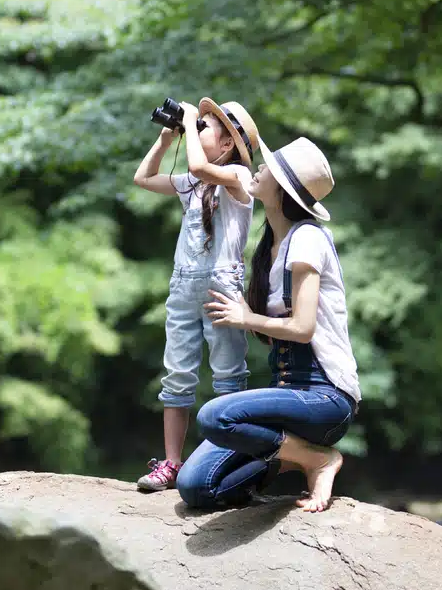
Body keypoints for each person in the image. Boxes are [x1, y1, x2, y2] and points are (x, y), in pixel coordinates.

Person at [175, 136, 360, 512]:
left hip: (324, 397)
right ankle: (290, 456)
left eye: (268, 169)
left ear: (283, 190)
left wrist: (247, 317)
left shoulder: (307, 238)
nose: (259, 168)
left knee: (215, 415)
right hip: (287, 399)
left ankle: (317, 459)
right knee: (196, 487)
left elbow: (303, 328)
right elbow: (267, 330)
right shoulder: (269, 246)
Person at [132, 98, 262, 492]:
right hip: (184, 288)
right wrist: (166, 139)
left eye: (205, 127)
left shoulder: (239, 175)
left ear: (226, 145)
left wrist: (189, 121)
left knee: (227, 375)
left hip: (221, 289)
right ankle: (172, 462)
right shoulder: (193, 183)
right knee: (177, 375)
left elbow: (198, 166)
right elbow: (143, 178)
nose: (197, 129)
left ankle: (227, 457)